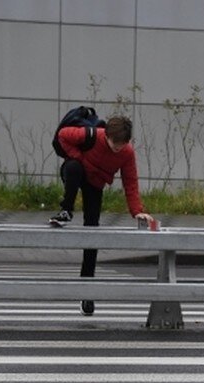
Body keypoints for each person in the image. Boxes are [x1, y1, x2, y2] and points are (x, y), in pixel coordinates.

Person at [49, 115, 154, 316]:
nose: (117, 148)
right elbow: (62, 135)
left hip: (95, 185)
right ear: (106, 135)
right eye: (114, 143)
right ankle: (66, 210)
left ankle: (87, 292)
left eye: (121, 145)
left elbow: (130, 182)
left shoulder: (127, 153)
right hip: (76, 172)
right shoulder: (92, 135)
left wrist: (137, 211)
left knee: (92, 233)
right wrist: (77, 157)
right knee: (73, 167)